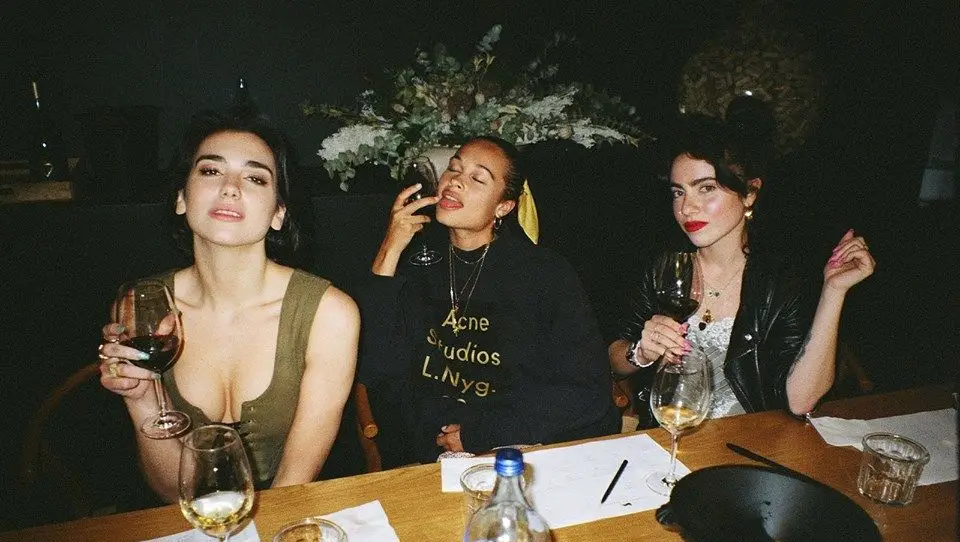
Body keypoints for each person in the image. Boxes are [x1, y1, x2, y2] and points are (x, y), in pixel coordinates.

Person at [97, 109, 359, 501]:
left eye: (255, 178)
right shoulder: (141, 306)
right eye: (210, 171)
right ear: (181, 198)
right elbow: (172, 491)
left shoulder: (330, 314)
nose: (230, 188)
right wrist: (141, 399)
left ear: (279, 213)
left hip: (289, 510)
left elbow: (294, 485)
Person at [359, 136, 619, 464]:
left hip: (518, 447)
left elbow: (587, 391)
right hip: (431, 455)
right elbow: (375, 368)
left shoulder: (543, 273)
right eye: (453, 168)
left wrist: (479, 433)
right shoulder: (417, 265)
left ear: (503, 207)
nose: (455, 181)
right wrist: (389, 249)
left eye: (477, 178)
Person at [610, 113, 875, 420]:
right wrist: (641, 352)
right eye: (678, 192)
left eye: (706, 188)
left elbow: (800, 401)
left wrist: (834, 291)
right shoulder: (666, 269)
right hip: (670, 429)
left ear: (749, 193)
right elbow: (614, 359)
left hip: (749, 438)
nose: (686, 207)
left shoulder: (779, 282)